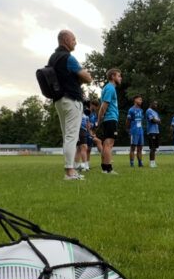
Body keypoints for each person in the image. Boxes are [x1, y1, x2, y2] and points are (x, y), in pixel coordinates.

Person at [50, 29, 94, 181]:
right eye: (74, 39)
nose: (75, 42)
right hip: (71, 100)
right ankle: (70, 171)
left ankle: (71, 169)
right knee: (71, 137)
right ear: (66, 40)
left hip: (59, 101)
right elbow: (87, 78)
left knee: (66, 136)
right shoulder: (68, 57)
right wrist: (84, 75)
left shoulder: (53, 58)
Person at [96, 68, 123, 175]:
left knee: (106, 143)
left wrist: (100, 120)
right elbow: (104, 106)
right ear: (113, 77)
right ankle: (108, 169)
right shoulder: (110, 88)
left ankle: (104, 168)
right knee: (109, 144)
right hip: (110, 119)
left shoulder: (108, 88)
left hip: (109, 119)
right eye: (119, 76)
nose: (120, 78)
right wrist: (99, 119)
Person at [126, 95, 145, 168]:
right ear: (135, 100)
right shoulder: (131, 110)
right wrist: (128, 130)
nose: (141, 101)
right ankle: (132, 163)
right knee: (133, 147)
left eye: (141, 100)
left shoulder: (141, 110)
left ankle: (140, 163)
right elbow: (128, 121)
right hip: (134, 131)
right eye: (140, 99)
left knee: (140, 148)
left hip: (140, 131)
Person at [146, 100, 161, 168]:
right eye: (154, 104)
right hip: (151, 131)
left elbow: (159, 121)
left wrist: (157, 120)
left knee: (155, 148)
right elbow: (152, 120)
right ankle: (151, 163)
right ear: (151, 104)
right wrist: (157, 120)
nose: (156, 105)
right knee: (152, 148)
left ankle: (154, 162)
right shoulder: (149, 110)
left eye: (156, 104)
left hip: (156, 131)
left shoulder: (155, 112)